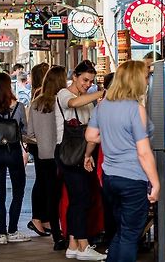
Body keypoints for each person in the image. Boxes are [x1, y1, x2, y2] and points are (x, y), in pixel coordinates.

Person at [85, 60, 160, 262]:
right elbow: (143, 152)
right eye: (145, 77)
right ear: (136, 80)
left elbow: (91, 136)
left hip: (110, 178)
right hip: (133, 179)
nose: (147, 81)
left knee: (122, 231)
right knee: (130, 235)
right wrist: (156, 182)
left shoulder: (103, 106)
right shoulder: (136, 109)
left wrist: (110, 137)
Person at [55, 60, 106, 261]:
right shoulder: (63, 94)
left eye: (91, 81)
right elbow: (72, 103)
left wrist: (87, 155)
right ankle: (82, 244)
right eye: (84, 80)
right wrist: (102, 93)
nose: (87, 84)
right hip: (68, 152)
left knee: (80, 198)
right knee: (81, 198)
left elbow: (93, 127)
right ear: (74, 76)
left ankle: (73, 244)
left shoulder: (88, 99)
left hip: (84, 153)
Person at [0, 72, 30, 245]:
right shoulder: (18, 107)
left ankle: (2, 234)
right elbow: (24, 130)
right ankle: (13, 230)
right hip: (13, 153)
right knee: (18, 191)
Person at [27, 65, 66, 251]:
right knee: (67, 195)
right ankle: (70, 232)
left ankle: (56, 235)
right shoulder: (64, 100)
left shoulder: (36, 102)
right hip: (64, 154)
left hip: (43, 154)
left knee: (50, 195)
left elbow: (30, 132)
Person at [26, 62, 51, 236]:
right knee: (43, 180)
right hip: (41, 142)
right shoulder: (40, 94)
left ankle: (44, 218)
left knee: (43, 180)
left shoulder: (36, 92)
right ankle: (37, 218)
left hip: (37, 142)